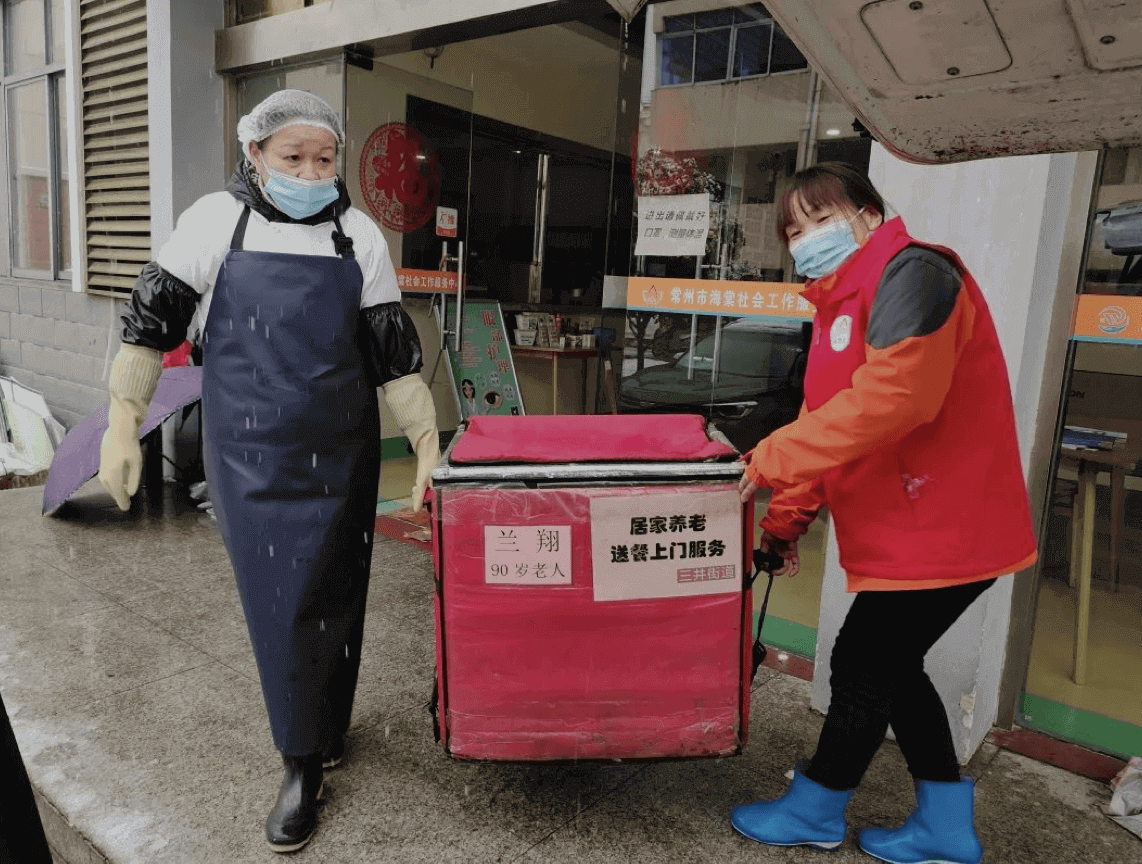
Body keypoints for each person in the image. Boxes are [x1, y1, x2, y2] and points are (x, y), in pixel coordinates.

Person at [96, 89, 439, 853]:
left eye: (325, 159)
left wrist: (425, 446)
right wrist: (123, 424)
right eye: (293, 158)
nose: (311, 172)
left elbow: (393, 355)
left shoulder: (360, 236)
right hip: (251, 457)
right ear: (255, 154)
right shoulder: (217, 222)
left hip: (343, 451)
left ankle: (327, 727)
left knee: (340, 586)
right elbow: (149, 324)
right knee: (284, 603)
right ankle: (300, 763)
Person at [732, 163, 1036, 864]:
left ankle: (816, 806)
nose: (807, 237)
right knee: (895, 667)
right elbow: (828, 421)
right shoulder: (837, 310)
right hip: (913, 533)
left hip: (950, 529)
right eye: (794, 229)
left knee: (866, 660)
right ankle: (944, 827)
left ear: (868, 214)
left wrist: (764, 462)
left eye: (821, 218)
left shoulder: (917, 274)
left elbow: (899, 397)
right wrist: (785, 525)